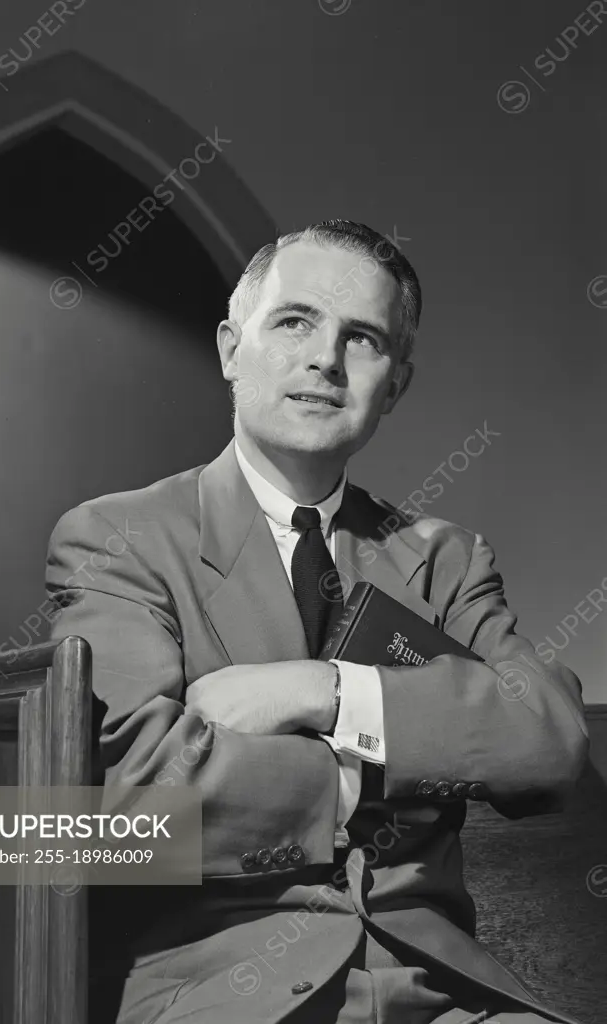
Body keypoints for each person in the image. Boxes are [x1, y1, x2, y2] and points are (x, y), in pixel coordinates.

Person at [45, 220, 589, 1024]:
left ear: (394, 386)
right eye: (295, 321)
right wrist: (376, 765)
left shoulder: (446, 559)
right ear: (234, 349)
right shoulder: (117, 539)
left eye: (362, 339)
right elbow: (141, 806)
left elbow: (550, 742)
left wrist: (324, 693)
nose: (325, 359)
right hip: (225, 998)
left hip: (439, 994)